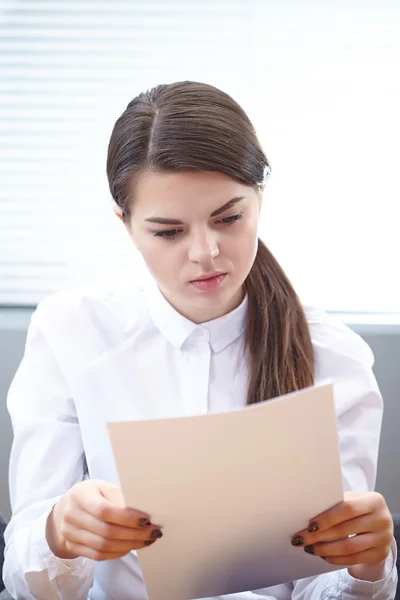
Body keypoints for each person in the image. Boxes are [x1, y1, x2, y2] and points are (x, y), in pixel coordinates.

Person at [3, 81, 398, 600]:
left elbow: (322, 585)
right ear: (126, 225)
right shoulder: (69, 332)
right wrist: (58, 532)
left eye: (229, 218)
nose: (207, 253)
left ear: (259, 198)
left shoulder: (335, 357)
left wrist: (364, 567)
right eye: (168, 232)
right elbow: (25, 584)